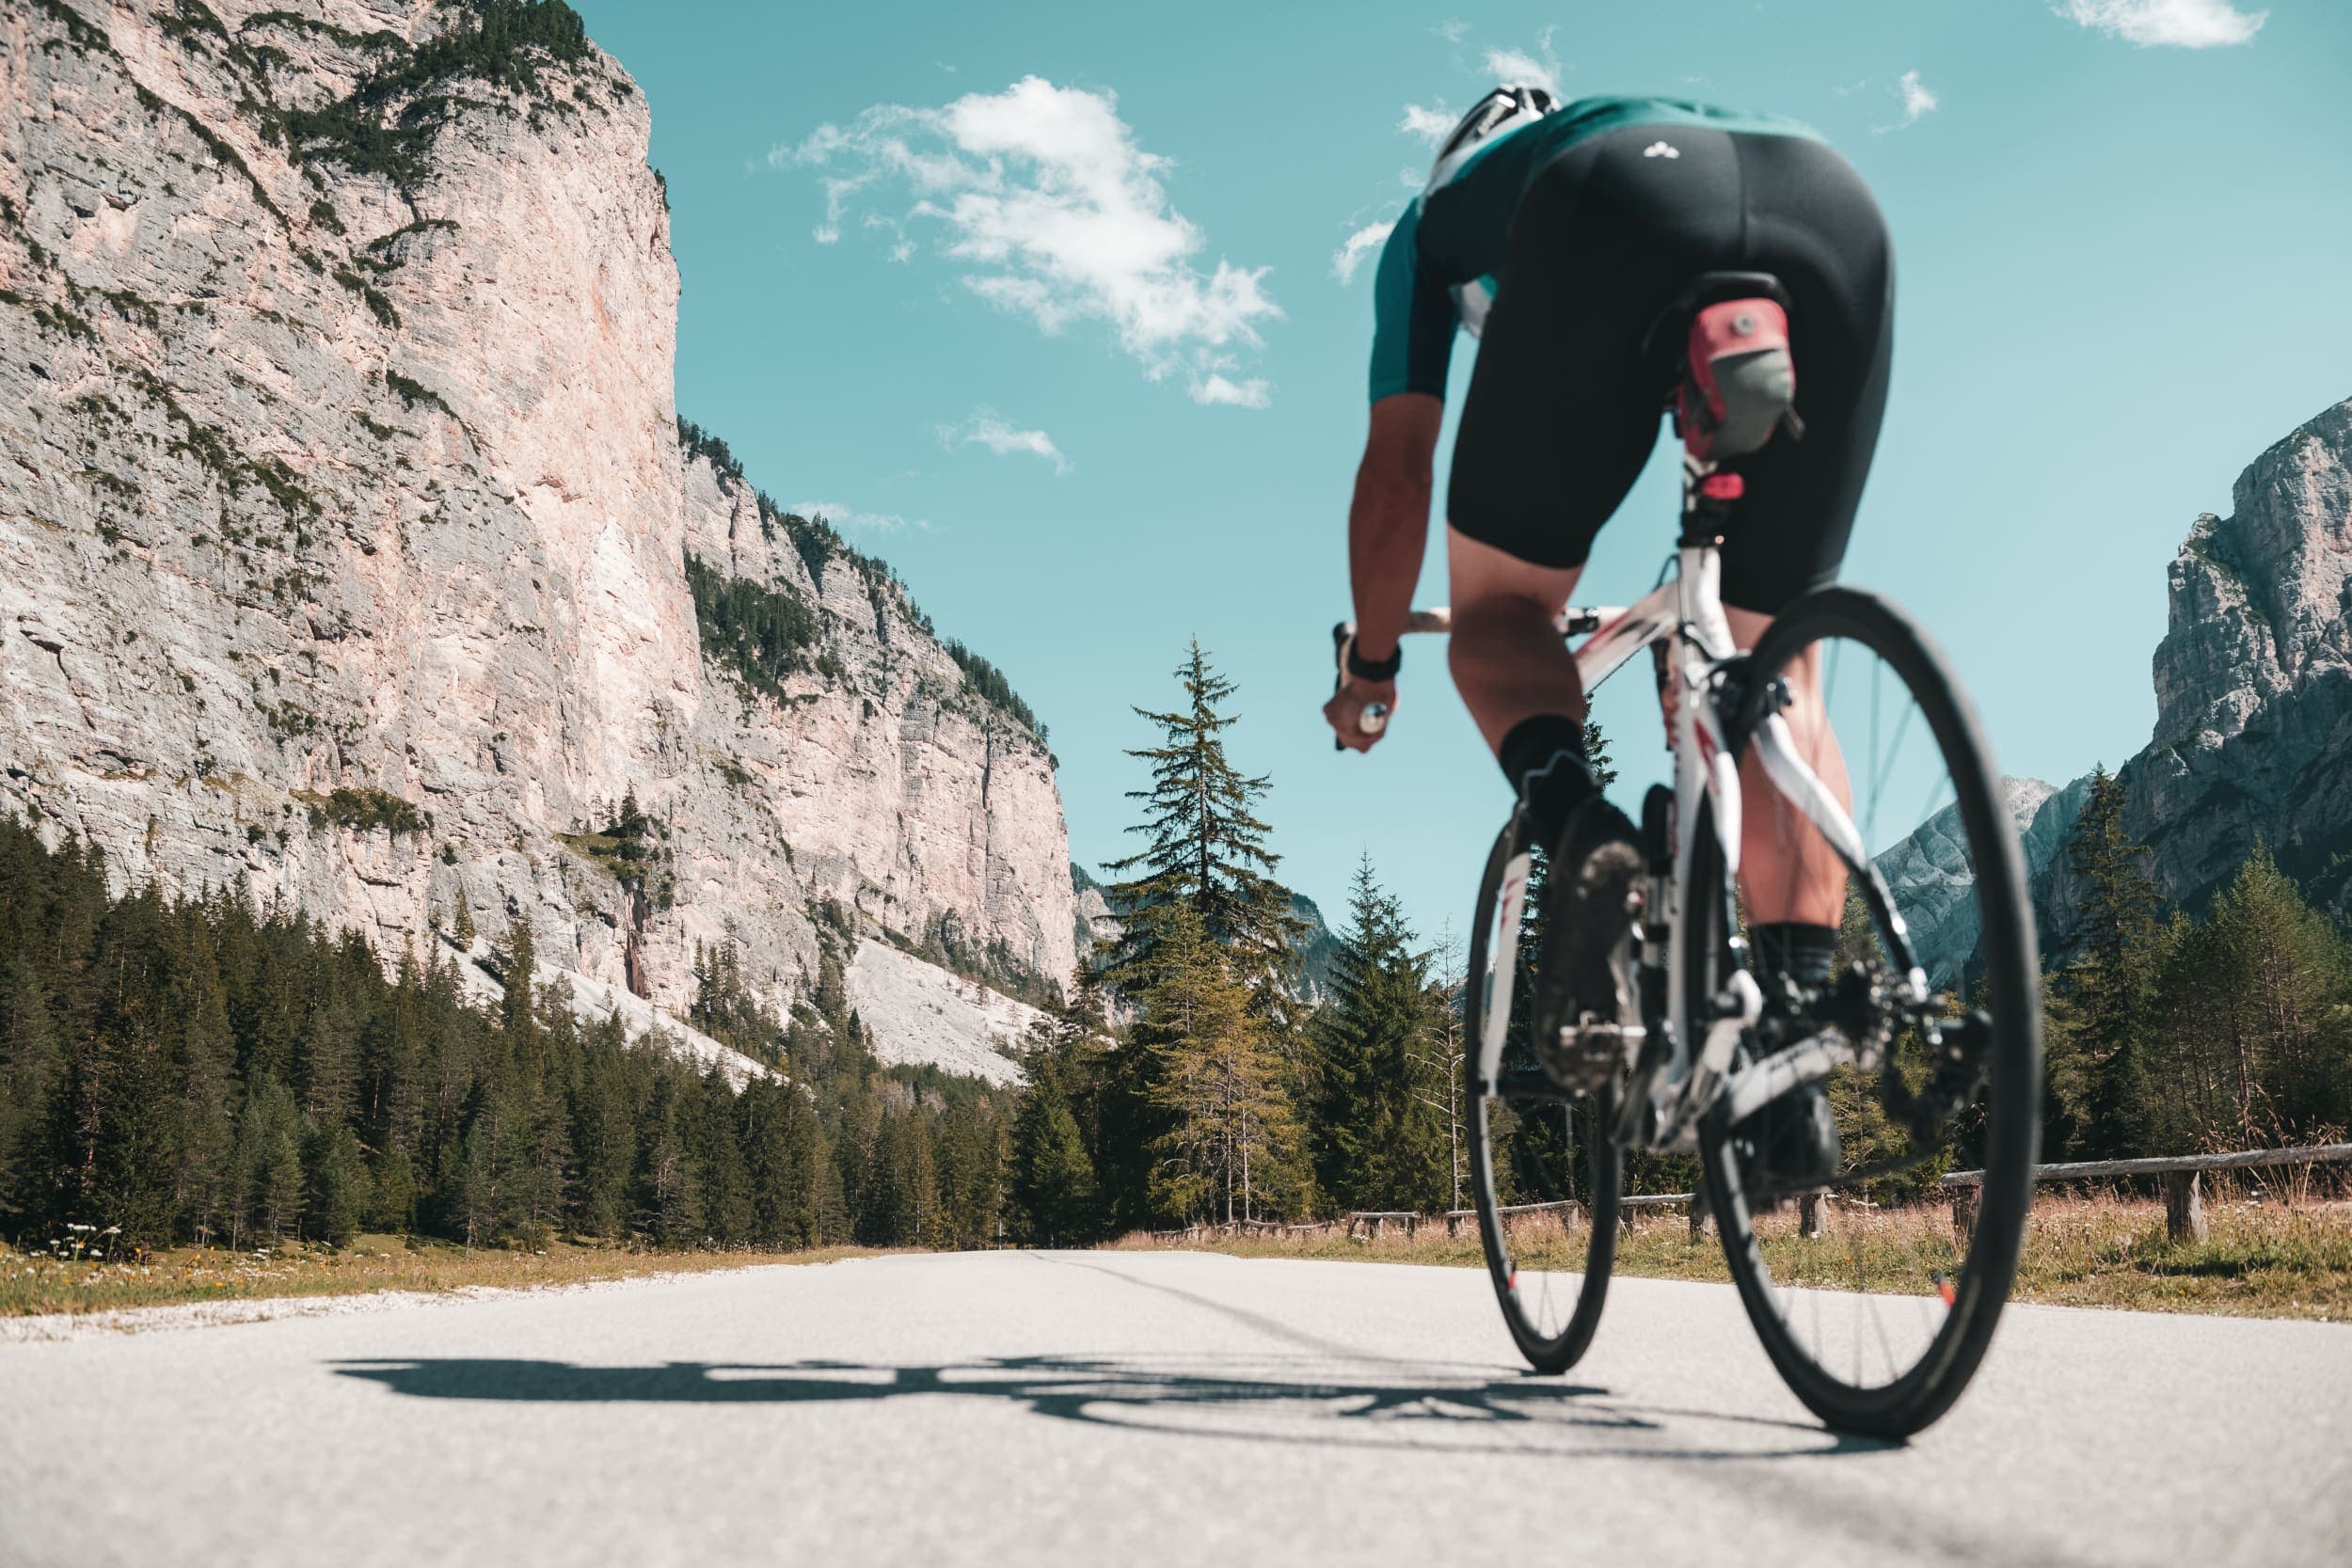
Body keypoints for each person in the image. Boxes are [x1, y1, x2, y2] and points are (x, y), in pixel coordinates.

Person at [1322, 87, 1894, 1185]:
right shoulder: (1610, 116)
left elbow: (1396, 477)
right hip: (1832, 203)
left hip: (1617, 205)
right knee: (1777, 668)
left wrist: (1373, 662)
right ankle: (1795, 1056)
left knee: (1496, 617)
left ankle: (1587, 841)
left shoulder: (1436, 219)